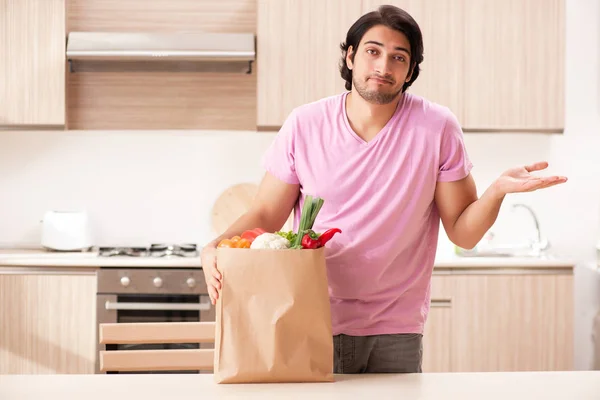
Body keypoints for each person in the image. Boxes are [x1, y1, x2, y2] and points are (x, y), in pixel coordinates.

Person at [201, 5, 567, 374]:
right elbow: (266, 214)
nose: (383, 67)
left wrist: (496, 192)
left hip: (397, 326)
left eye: (398, 57)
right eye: (373, 51)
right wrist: (215, 246)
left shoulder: (437, 127)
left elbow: (464, 233)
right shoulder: (305, 124)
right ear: (350, 56)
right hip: (312, 313)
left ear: (410, 71)